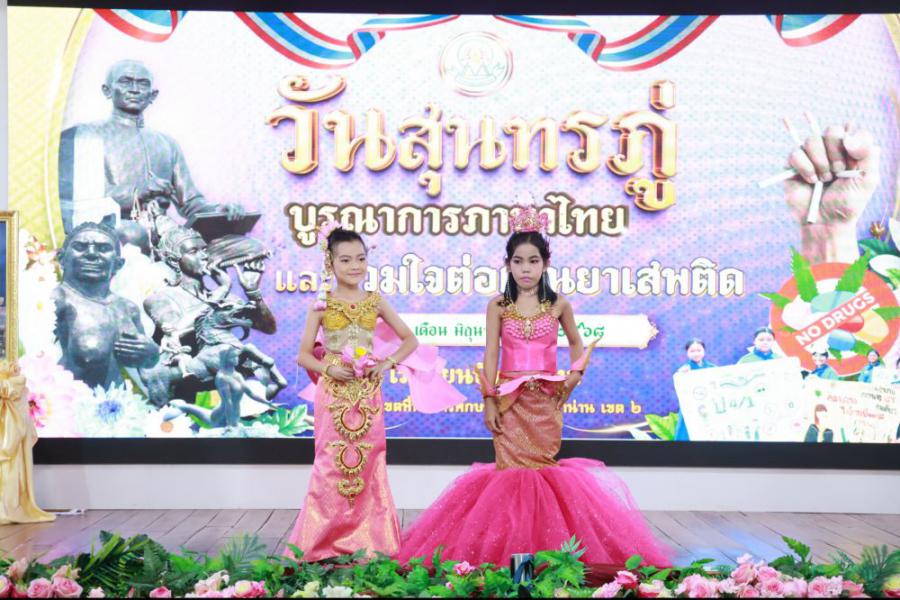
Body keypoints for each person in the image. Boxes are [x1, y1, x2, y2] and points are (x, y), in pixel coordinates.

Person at [397, 206, 671, 567]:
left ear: (546, 264)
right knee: (510, 479)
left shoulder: (558, 304)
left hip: (544, 402)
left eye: (533, 261)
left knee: (542, 476)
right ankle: (513, 566)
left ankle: (542, 564)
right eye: (518, 261)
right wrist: (489, 400)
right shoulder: (497, 306)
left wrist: (573, 377)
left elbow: (576, 343)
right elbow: (491, 353)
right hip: (509, 403)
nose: (525, 269)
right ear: (507, 264)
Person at [286, 221, 462, 562]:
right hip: (333, 394)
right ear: (330, 263)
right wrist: (328, 369)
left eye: (361, 258)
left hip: (367, 395)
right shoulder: (322, 305)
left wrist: (387, 363)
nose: (355, 266)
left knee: (370, 463)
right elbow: (303, 355)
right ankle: (320, 544)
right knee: (329, 464)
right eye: (346, 259)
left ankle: (370, 542)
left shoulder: (375, 301)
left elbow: (410, 339)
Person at [58, 60, 244, 235]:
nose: (135, 89)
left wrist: (219, 210)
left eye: (143, 84)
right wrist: (138, 191)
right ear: (107, 90)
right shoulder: (81, 136)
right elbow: (71, 201)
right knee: (133, 234)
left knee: (247, 247)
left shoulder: (166, 144)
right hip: (107, 234)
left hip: (163, 233)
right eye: (125, 82)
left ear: (152, 95)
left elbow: (190, 202)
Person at [52, 221, 160, 389]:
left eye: (103, 249)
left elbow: (146, 369)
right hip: (66, 400)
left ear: (118, 264)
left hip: (117, 400)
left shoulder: (127, 308)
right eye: (80, 247)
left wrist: (150, 355)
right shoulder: (55, 301)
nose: (91, 254)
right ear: (61, 258)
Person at [673, 339, 716, 441]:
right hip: (691, 406)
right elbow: (680, 388)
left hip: (709, 405)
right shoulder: (684, 370)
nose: (696, 353)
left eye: (699, 350)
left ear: (704, 351)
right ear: (687, 353)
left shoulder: (713, 368)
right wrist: (682, 376)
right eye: (692, 351)